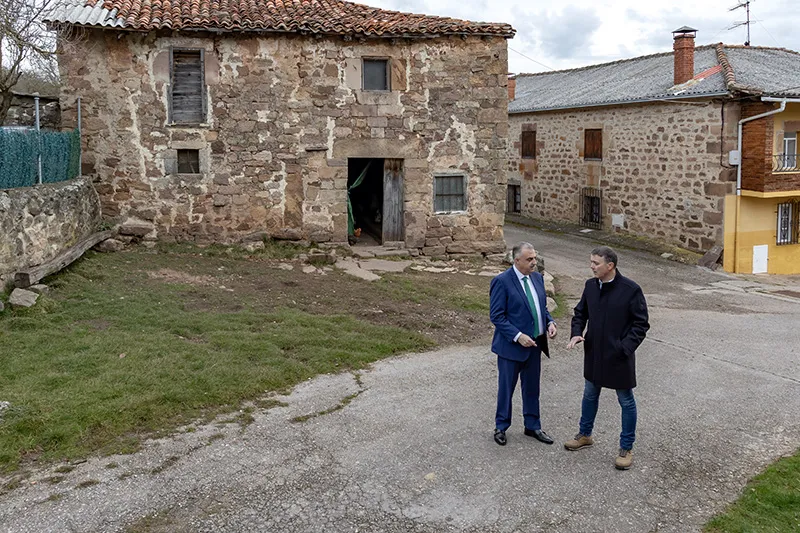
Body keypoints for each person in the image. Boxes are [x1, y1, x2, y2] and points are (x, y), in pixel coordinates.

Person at [565, 246, 650, 470]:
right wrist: (576, 333)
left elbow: (641, 324)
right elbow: (580, 312)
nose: (591, 266)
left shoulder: (631, 290)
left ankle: (626, 447)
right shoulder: (590, 286)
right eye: (591, 262)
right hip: (594, 353)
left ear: (610, 266)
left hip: (619, 356)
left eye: (596, 263)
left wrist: (624, 348)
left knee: (626, 400)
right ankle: (584, 434)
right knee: (590, 394)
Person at [489, 242, 557, 446]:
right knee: (506, 389)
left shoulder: (537, 278)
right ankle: (501, 426)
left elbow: (541, 307)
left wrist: (550, 322)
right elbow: (497, 316)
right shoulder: (502, 281)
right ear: (516, 260)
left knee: (532, 388)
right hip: (511, 347)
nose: (534, 263)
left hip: (535, 345)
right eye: (529, 259)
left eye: (534, 258)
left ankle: (532, 425)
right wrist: (518, 336)